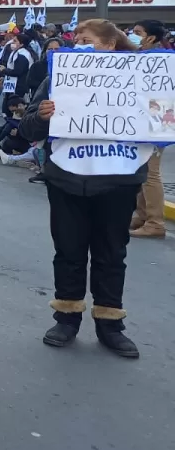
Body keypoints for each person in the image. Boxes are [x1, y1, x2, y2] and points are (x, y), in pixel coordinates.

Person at [19, 19, 147, 358]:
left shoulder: (140, 79)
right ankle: (67, 316)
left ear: (109, 45)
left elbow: (157, 120)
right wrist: (42, 116)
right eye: (75, 38)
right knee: (69, 250)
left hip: (118, 178)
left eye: (85, 39)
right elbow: (27, 129)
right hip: (68, 179)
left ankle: (110, 322)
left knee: (111, 253)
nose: (77, 43)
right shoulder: (58, 78)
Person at [129, 20, 168, 239]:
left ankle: (155, 222)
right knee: (140, 168)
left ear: (151, 37)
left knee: (151, 172)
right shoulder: (140, 57)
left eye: (137, 33)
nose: (132, 35)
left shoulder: (160, 60)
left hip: (156, 119)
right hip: (142, 119)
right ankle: (142, 214)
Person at [0, 31, 35, 98]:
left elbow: (17, 71)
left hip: (18, 86)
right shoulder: (17, 52)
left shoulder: (22, 55)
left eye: (15, 41)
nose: (12, 43)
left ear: (21, 44)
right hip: (13, 85)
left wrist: (4, 70)